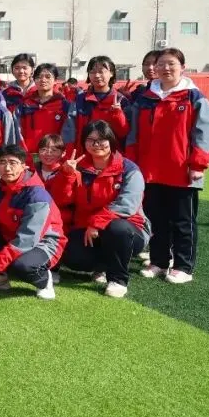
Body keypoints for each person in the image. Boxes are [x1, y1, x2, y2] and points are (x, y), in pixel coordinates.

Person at [128, 48, 209, 284]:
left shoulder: (193, 97)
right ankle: (159, 261)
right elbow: (134, 134)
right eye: (161, 64)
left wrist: (198, 164)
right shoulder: (146, 98)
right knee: (156, 219)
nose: (165, 68)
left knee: (182, 222)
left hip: (182, 172)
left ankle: (183, 266)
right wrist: (134, 165)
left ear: (182, 68)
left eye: (171, 64)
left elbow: (205, 134)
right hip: (150, 171)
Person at [60, 121, 151, 298]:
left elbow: (128, 205)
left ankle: (118, 280)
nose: (96, 144)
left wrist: (97, 222)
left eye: (101, 139)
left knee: (117, 228)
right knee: (71, 256)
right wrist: (67, 175)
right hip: (87, 228)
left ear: (111, 140)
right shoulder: (78, 166)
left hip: (129, 228)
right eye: (90, 140)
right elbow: (63, 200)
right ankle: (102, 266)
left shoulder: (129, 169)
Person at [0, 144, 65, 300]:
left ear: (23, 166)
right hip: (11, 236)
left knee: (22, 265)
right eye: (2, 162)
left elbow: (27, 238)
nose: (7, 168)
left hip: (43, 242)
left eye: (13, 163)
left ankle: (44, 280)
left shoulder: (36, 195)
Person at [62, 55, 128, 151]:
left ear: (111, 73)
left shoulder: (121, 100)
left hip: (110, 155)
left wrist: (118, 114)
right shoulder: (80, 99)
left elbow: (124, 134)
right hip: (84, 154)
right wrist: (69, 152)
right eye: (92, 72)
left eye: (101, 71)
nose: (96, 75)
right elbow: (69, 129)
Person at [15, 63, 69, 154]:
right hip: (31, 154)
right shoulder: (25, 105)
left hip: (54, 154)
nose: (43, 80)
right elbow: (19, 131)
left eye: (48, 77)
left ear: (55, 80)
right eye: (39, 77)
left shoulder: (64, 105)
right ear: (34, 80)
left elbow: (68, 133)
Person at [34, 134, 75, 231]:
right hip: (34, 220)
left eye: (54, 150)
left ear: (63, 153)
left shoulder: (69, 172)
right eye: (43, 149)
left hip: (60, 224)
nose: (48, 154)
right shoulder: (31, 171)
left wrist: (67, 175)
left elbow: (65, 200)